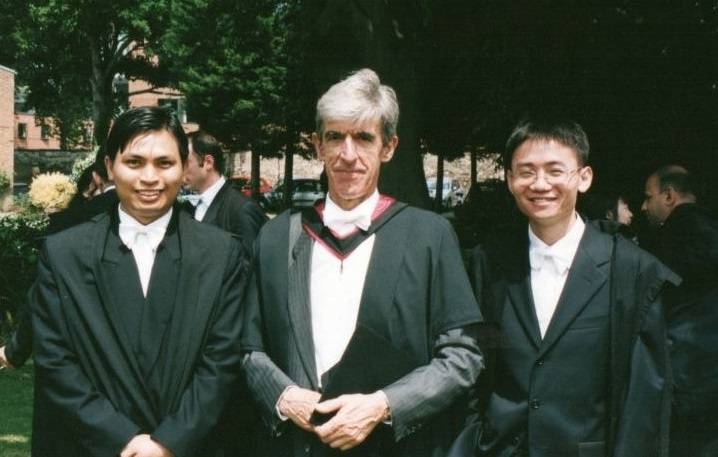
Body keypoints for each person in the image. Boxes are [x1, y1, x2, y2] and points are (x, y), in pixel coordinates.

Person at [241, 68, 483, 457]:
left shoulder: (428, 236)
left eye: (363, 138)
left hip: (395, 447)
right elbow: (246, 348)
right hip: (299, 446)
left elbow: (462, 356)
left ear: (388, 147)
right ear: (317, 145)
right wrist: (284, 397)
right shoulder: (275, 239)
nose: (347, 154)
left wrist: (383, 405)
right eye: (335, 137)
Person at [453, 117, 679, 457]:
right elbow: (475, 363)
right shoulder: (489, 262)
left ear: (583, 178)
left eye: (555, 171)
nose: (540, 184)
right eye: (526, 172)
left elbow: (644, 398)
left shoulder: (632, 270)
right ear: (510, 180)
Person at [31, 106, 248, 457]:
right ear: (109, 167)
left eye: (165, 163)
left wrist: (169, 442)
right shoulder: (64, 254)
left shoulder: (220, 255)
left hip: (188, 447)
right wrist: (123, 438)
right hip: (95, 446)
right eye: (134, 163)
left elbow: (221, 362)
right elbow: (56, 361)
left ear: (183, 168)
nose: (150, 177)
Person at [1, 152, 120, 371]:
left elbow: (42, 293)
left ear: (97, 176)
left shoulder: (72, 222)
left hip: (80, 350)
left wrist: (15, 350)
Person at [642, 165, 718, 457]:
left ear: (669, 195)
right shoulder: (711, 227)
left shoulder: (670, 237)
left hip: (685, 376)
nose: (643, 205)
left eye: (649, 197)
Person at [183, 130, 267, 253]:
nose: (179, 169)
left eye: (185, 162)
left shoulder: (242, 209)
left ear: (208, 163)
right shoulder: (187, 209)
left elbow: (251, 267)